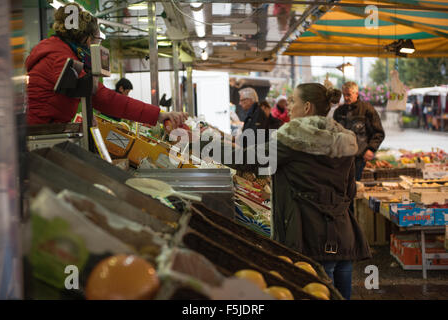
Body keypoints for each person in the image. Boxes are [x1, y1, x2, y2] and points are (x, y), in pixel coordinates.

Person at [208, 83, 371, 299]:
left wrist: (202, 143)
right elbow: (350, 190)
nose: (289, 106)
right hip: (343, 235)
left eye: (293, 101)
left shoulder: (294, 140)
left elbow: (243, 159)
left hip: (310, 237)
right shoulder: (345, 140)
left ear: (307, 108)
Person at [25, 3, 186, 128]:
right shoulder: (60, 57)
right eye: (98, 39)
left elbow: (86, 95)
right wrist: (157, 115)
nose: (98, 44)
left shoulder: (62, 51)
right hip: (41, 135)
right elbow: (103, 98)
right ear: (88, 40)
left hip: (49, 130)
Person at [333, 82, 385, 181]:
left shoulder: (367, 110)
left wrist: (371, 149)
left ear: (356, 94)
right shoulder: (338, 112)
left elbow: (378, 133)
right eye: (344, 95)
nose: (346, 97)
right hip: (342, 158)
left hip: (360, 157)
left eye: (348, 94)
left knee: (355, 186)